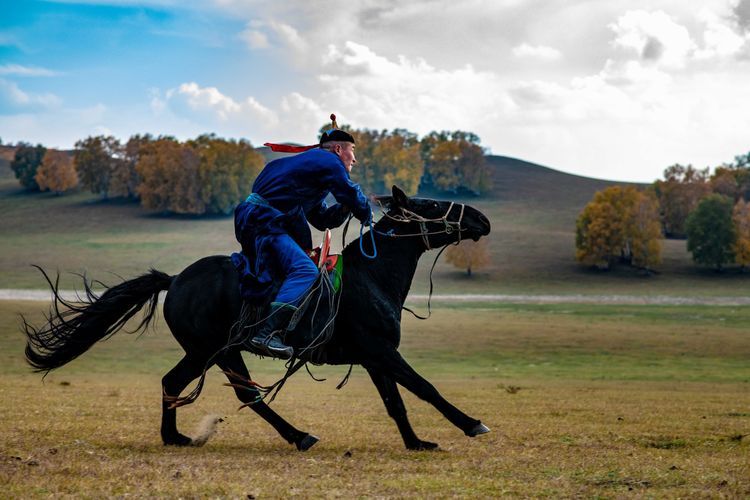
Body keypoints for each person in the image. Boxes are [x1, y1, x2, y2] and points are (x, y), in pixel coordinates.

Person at [231, 115, 372, 359]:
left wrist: (348, 207)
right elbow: (349, 191)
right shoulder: (328, 162)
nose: (354, 159)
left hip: (257, 221)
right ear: (338, 149)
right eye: (352, 151)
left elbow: (321, 219)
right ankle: (266, 333)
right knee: (306, 271)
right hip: (264, 222)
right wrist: (365, 212)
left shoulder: (307, 170)